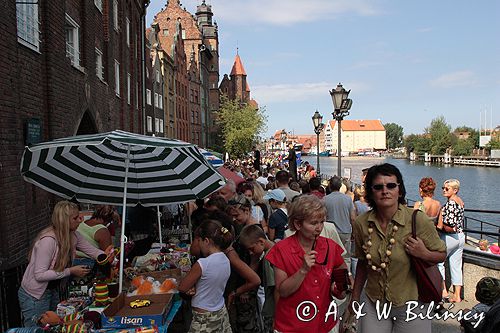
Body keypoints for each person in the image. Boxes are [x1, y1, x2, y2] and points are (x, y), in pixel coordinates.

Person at [350, 163, 446, 333]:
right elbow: (363, 263)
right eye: (378, 187)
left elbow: (441, 255)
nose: (385, 191)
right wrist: (355, 298)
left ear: (399, 190)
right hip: (374, 303)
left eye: (391, 185)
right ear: (371, 192)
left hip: (411, 303)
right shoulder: (361, 224)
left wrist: (423, 253)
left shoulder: (417, 220)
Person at [18, 201, 110, 327]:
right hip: (35, 296)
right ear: (64, 220)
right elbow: (39, 275)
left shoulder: (73, 235)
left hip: (53, 290)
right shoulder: (48, 241)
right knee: (37, 329)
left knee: (55, 326)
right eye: (75, 218)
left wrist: (107, 256)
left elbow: (92, 251)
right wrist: (70, 271)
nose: (80, 220)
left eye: (79, 216)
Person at [266, 195, 348, 332]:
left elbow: (342, 272)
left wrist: (341, 287)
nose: (319, 228)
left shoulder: (330, 247)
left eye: (322, 222)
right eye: (314, 223)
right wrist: (303, 270)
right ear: (298, 224)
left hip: (324, 323)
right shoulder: (281, 250)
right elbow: (283, 291)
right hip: (292, 325)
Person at [179, 220, 233, 333]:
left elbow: (182, 288)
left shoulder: (203, 263)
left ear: (206, 241)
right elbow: (210, 283)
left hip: (204, 318)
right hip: (220, 312)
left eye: (199, 241)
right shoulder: (226, 260)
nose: (198, 244)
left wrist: (191, 286)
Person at [239, 225, 276, 333]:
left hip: (273, 310)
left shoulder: (269, 258)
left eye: (251, 248)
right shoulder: (274, 248)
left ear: (261, 241)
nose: (251, 252)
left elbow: (274, 288)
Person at [437, 178, 466, 303]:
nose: (444, 190)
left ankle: (443, 291)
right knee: (456, 266)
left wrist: (438, 225)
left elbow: (449, 226)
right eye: (443, 188)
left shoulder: (451, 203)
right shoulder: (460, 202)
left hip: (449, 237)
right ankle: (457, 295)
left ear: (455, 190)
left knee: (438, 263)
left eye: (446, 188)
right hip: (460, 237)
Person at [323, 176, 356, 271]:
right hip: (345, 231)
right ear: (340, 186)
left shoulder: (325, 199)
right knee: (346, 257)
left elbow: (323, 217)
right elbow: (353, 218)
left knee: (331, 256)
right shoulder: (348, 199)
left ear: (330, 186)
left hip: (331, 233)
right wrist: (353, 232)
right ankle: (347, 277)